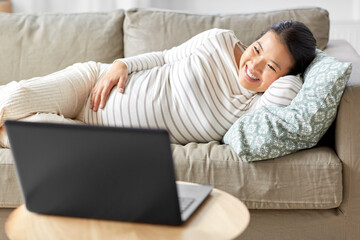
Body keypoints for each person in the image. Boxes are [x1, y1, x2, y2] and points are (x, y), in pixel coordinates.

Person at [0, 20, 316, 146]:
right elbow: (165, 57)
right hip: (92, 83)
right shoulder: (219, 41)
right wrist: (122, 64)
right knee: (14, 97)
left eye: (271, 67)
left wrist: (296, 74)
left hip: (101, 136)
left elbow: (288, 92)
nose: (253, 65)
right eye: (257, 49)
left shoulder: (256, 106)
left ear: (286, 76)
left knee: (34, 135)